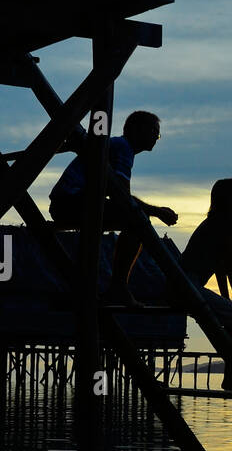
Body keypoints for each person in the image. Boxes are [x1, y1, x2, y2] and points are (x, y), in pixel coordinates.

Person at [48, 110, 178, 308]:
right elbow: (123, 199)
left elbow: (119, 195)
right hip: (72, 203)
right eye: (154, 132)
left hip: (69, 204)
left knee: (133, 217)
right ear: (137, 129)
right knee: (137, 221)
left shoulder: (118, 147)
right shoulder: (123, 148)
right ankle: (118, 287)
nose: (156, 138)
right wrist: (157, 211)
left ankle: (106, 284)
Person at [180, 178, 232, 391]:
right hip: (188, 286)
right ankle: (231, 375)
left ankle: (231, 373)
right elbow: (230, 262)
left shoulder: (214, 221)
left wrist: (228, 300)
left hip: (188, 286)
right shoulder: (227, 221)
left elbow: (221, 266)